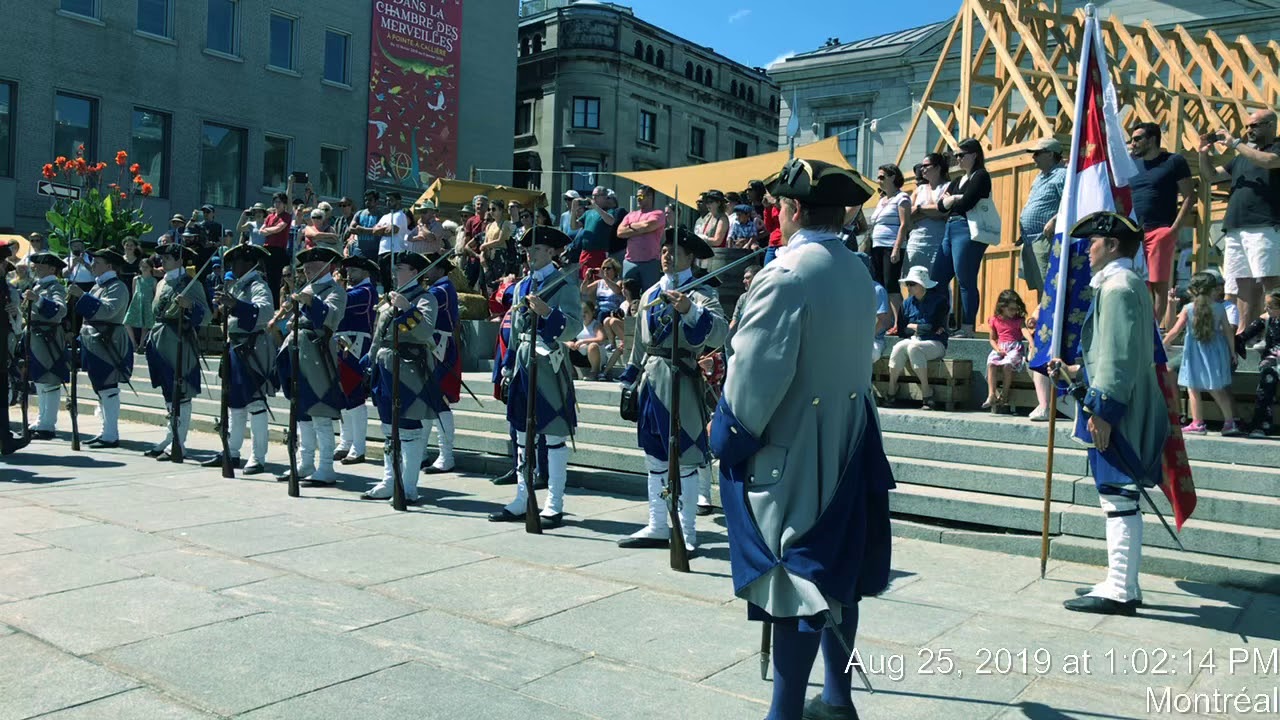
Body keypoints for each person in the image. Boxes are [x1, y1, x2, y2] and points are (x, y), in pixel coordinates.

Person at [710, 158, 890, 720]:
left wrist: (729, 434)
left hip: (795, 448)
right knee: (843, 574)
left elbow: (756, 376)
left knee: (795, 580)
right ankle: (838, 700)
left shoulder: (786, 274)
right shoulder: (857, 269)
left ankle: (783, 714)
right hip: (851, 435)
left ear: (789, 210)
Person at [1053, 211, 1168, 616]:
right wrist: (1075, 372)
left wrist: (1103, 410)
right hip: (1120, 404)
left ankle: (1120, 588)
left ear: (1113, 245)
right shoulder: (1124, 283)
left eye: (1094, 243)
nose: (1087, 251)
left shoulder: (1118, 287)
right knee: (1117, 498)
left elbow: (1119, 359)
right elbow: (1113, 351)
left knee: (1118, 498)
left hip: (1120, 411)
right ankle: (1122, 581)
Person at [617, 227, 726, 551]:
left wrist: (690, 311)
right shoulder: (650, 293)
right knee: (654, 458)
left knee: (688, 458)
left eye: (674, 250)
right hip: (652, 380)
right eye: (664, 250)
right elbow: (640, 342)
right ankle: (657, 524)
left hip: (682, 380)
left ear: (690, 257)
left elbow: (719, 334)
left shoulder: (702, 293)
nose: (666, 255)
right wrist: (630, 378)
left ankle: (687, 532)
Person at [488, 227, 580, 529]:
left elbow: (573, 326)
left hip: (549, 364)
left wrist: (548, 313)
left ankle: (554, 504)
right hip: (523, 364)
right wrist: (508, 364)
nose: (531, 253)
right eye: (529, 249)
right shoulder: (523, 284)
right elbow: (514, 329)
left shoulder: (564, 282)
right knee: (521, 433)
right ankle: (522, 496)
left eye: (538, 248)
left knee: (553, 434)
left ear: (552, 252)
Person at [361, 252, 440, 503]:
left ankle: (408, 484)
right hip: (385, 364)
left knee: (409, 427)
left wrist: (407, 308)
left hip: (409, 368)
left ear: (415, 272)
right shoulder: (388, 299)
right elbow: (378, 335)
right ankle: (389, 479)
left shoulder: (426, 298)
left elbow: (426, 331)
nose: (396, 272)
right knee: (388, 427)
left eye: (402, 268)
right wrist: (370, 362)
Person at [1199, 109, 1280, 332]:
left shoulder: (1275, 148)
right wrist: (1203, 153)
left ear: (1271, 125)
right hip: (1236, 227)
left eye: (1254, 125)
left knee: (1270, 281)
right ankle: (1245, 332)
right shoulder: (1241, 158)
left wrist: (1235, 143)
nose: (1248, 130)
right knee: (1242, 282)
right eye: (1247, 126)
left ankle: (1275, 333)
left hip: (1264, 225)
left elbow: (1270, 161)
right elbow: (1211, 176)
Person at [202, 244, 276, 474]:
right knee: (234, 403)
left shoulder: (257, 284)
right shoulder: (239, 285)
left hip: (252, 346)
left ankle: (258, 456)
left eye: (237, 262)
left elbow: (265, 311)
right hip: (235, 345)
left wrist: (236, 305)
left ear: (249, 263)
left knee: (255, 402)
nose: (234, 267)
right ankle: (231, 452)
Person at [275, 247, 346, 484]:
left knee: (321, 413)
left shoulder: (334, 290)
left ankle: (326, 467)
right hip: (297, 352)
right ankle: (306, 463)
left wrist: (311, 302)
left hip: (317, 356)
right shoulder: (306, 288)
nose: (307, 268)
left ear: (328, 266)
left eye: (314, 264)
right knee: (302, 412)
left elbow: (330, 319)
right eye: (306, 265)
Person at [142, 242, 211, 461]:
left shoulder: (190, 283)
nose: (163, 261)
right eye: (161, 257)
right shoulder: (163, 282)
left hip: (179, 340)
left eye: (168, 257)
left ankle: (179, 442)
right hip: (160, 338)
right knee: (167, 391)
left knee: (181, 392)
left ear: (180, 260)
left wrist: (190, 306)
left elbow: (207, 315)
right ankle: (170, 435)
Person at [1125, 123, 1196, 327]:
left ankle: (1153, 329)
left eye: (1137, 138)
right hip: (1134, 233)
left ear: (1152, 139)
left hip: (1160, 230)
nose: (1133, 143)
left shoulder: (1173, 161)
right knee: (1136, 280)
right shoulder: (1132, 165)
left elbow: (1190, 196)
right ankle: (1139, 325)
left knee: (1158, 283)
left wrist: (1173, 231)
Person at [1017, 138, 1067, 421]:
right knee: (1037, 285)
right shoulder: (1040, 177)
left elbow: (1067, 201)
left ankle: (1048, 320)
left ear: (1052, 154)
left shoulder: (1060, 174)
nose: (1034, 157)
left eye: (1038, 153)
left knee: (1050, 282)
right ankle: (1041, 319)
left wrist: (1056, 219)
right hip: (1030, 238)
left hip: (1046, 238)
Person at [68, 247, 135, 448]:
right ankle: (105, 430)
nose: (93, 265)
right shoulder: (99, 286)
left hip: (109, 341)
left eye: (97, 262)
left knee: (108, 387)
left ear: (109, 265)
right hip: (94, 341)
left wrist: (82, 295)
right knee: (100, 388)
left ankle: (111, 434)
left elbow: (108, 311)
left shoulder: (117, 286)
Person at [1163, 272, 1239, 436]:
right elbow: (1228, 332)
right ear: (1213, 290)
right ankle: (1230, 422)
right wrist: (1232, 352)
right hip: (1216, 352)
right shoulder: (1219, 308)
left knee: (1193, 387)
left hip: (1195, 352)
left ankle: (1197, 422)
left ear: (1194, 290)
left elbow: (1175, 330)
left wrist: (1163, 344)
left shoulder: (1188, 308)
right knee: (1217, 388)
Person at [934, 138, 994, 338]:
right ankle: (939, 323)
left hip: (968, 229)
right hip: (950, 229)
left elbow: (967, 203)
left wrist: (953, 201)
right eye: (955, 155)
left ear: (974, 155)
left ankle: (968, 327)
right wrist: (953, 199)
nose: (957, 159)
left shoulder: (981, 176)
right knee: (937, 278)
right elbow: (940, 206)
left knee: (965, 278)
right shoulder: (957, 180)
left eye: (961, 155)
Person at [331, 256, 379, 466]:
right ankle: (346, 441)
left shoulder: (367, 292)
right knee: (342, 395)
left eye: (354, 270)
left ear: (366, 272)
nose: (349, 273)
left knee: (354, 394)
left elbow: (343, 301)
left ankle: (358, 447)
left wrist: (331, 286)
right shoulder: (348, 291)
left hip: (356, 345)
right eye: (347, 270)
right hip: (341, 343)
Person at [885, 266, 950, 410]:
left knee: (913, 347)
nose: (908, 287)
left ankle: (927, 392)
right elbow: (902, 330)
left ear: (923, 284)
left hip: (936, 343)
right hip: (915, 340)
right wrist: (922, 327)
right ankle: (891, 388)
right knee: (898, 347)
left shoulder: (939, 301)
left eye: (912, 284)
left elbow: (933, 326)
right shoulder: (907, 303)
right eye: (907, 284)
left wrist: (914, 326)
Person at [21, 253, 69, 440]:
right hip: (36, 335)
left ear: (52, 269)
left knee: (50, 379)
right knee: (40, 380)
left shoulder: (54, 286)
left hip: (48, 337)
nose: (36, 267)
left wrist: (39, 300)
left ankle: (48, 423)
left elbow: (60, 310)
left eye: (41, 265)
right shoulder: (39, 285)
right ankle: (42, 419)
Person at [421, 251, 461, 474]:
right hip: (433, 344)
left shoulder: (442, 290)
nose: (427, 272)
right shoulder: (439, 289)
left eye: (431, 268)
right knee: (427, 401)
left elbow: (423, 303)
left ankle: (446, 455)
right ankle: (424, 452)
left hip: (439, 346)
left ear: (441, 269)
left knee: (438, 401)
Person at [867, 164, 911, 331]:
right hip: (877, 245)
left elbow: (904, 224)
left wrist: (896, 248)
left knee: (892, 284)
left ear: (893, 177)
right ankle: (887, 320)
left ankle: (901, 323)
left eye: (882, 177)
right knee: (880, 284)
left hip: (890, 245)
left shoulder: (902, 198)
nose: (879, 180)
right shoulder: (882, 200)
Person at [1238, 289, 1280, 437]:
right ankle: (1262, 424)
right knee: (1267, 376)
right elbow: (1244, 336)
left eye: (1270, 306)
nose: (1265, 309)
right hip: (1272, 361)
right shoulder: (1267, 319)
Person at [984, 289, 1030, 414]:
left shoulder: (1018, 320)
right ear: (1002, 307)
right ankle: (991, 394)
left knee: (1007, 365)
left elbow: (1024, 331)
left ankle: (1004, 394)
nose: (1013, 312)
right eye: (1010, 309)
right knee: (991, 363)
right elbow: (992, 339)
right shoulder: (994, 320)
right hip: (1001, 347)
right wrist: (998, 349)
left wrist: (1031, 342)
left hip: (1014, 348)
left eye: (1015, 309)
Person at [617, 185, 666, 291]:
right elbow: (620, 232)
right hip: (630, 261)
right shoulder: (630, 215)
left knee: (649, 293)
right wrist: (640, 228)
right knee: (628, 293)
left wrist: (630, 226)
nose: (638, 199)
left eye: (642, 196)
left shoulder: (658, 214)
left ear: (650, 197)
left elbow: (648, 226)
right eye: (637, 196)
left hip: (650, 263)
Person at [907, 154, 951, 270]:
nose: (922, 169)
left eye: (926, 166)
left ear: (937, 168)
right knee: (913, 280)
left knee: (935, 280)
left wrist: (919, 208)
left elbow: (943, 211)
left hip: (937, 242)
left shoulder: (948, 186)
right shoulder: (919, 189)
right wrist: (932, 210)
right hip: (916, 240)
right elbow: (907, 214)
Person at [581, 258, 626, 355]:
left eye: (608, 268)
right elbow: (584, 291)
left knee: (601, 314)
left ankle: (604, 339)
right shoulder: (599, 282)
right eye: (603, 268)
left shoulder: (618, 282)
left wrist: (605, 278)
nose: (605, 270)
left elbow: (617, 290)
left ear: (615, 270)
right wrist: (586, 278)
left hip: (613, 311)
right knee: (589, 312)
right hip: (600, 310)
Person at [567, 301, 606, 380]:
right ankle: (571, 372)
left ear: (593, 312)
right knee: (564, 346)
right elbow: (564, 338)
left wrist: (583, 341)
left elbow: (601, 338)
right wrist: (569, 343)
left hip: (597, 356)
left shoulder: (595, 325)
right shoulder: (577, 325)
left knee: (592, 346)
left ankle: (595, 372)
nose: (583, 315)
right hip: (582, 356)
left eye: (586, 312)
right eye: (580, 312)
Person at [346, 190, 383, 259]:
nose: (367, 202)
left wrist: (362, 230)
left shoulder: (381, 216)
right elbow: (351, 228)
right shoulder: (359, 213)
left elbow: (378, 231)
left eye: (370, 200)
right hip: (359, 250)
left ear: (376, 201)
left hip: (374, 251)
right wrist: (366, 231)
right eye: (366, 200)